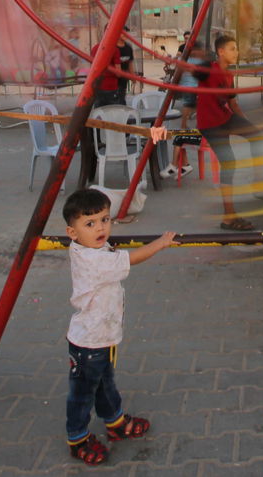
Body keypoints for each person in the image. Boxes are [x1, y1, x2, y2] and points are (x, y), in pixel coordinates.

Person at [60, 188, 176, 466]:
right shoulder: (94, 259)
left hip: (103, 337)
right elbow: (131, 259)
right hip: (89, 342)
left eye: (105, 219)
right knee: (83, 393)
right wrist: (160, 243)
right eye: (90, 224)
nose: (100, 228)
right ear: (72, 233)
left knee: (104, 383)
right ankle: (77, 437)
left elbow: (109, 249)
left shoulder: (90, 247)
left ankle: (114, 421)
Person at [197, 34, 263, 231]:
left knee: (257, 136)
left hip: (225, 118)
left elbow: (232, 101)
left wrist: (246, 124)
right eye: (233, 48)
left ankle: (258, 181)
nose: (237, 52)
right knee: (229, 163)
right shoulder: (209, 70)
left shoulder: (229, 74)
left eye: (236, 48)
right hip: (210, 124)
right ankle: (228, 217)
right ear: (221, 52)